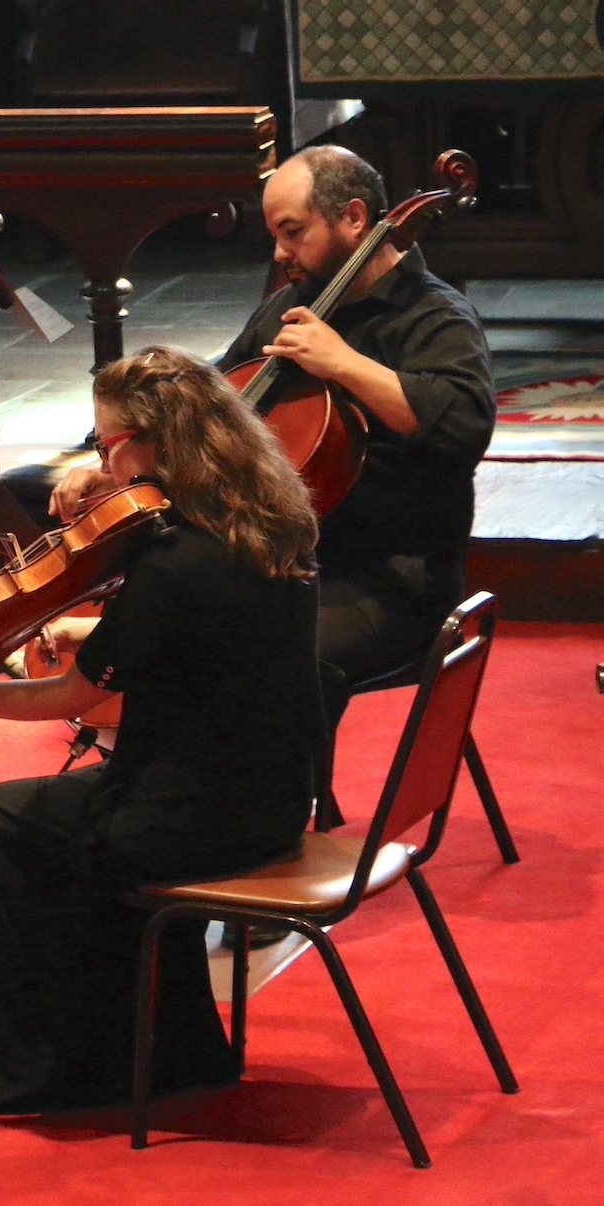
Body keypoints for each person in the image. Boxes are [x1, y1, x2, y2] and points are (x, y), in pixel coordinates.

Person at [0, 346, 321, 1114]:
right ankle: (170, 1050)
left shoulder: (169, 563)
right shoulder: (271, 522)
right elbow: (206, 657)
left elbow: (70, 701)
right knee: (53, 808)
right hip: (272, 798)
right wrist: (97, 636)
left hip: (187, 822)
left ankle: (6, 1073)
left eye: (108, 443)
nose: (104, 461)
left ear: (151, 444)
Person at [53, 146, 495, 818]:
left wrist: (345, 364)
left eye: (294, 232)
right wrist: (110, 456)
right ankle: (158, 806)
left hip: (387, 580)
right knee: (175, 614)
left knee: (273, 654)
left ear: (352, 218)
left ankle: (265, 827)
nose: (281, 253)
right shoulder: (290, 309)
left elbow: (464, 425)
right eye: (275, 236)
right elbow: (199, 402)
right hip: (278, 567)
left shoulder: (432, 318)